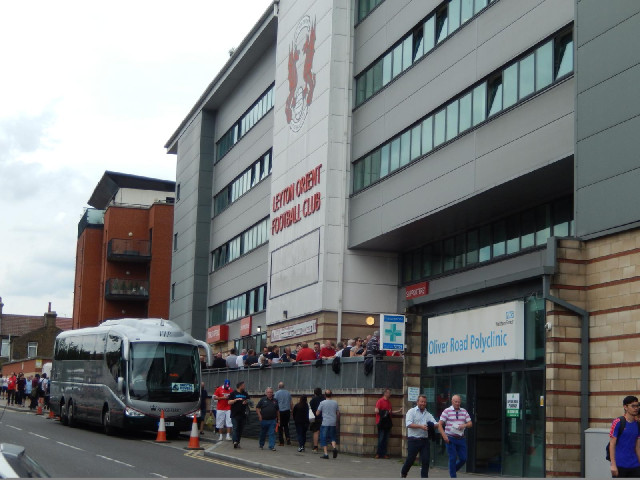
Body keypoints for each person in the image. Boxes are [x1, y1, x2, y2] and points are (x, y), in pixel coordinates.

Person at [401, 394, 437, 478]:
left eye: (424, 402)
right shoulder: (411, 411)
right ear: (418, 402)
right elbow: (408, 424)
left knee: (425, 461)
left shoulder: (427, 414)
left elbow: (435, 423)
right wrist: (421, 426)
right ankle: (403, 473)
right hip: (413, 440)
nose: (423, 403)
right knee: (410, 460)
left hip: (424, 440)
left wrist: (437, 424)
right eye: (421, 401)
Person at [438, 394, 473, 478]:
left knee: (463, 458)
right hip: (450, 438)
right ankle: (453, 476)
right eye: (456, 402)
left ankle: (452, 470)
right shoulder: (447, 411)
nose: (457, 403)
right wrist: (444, 436)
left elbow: (470, 423)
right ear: (452, 402)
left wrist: (464, 425)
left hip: (461, 438)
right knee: (452, 458)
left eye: (459, 402)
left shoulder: (464, 411)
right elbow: (440, 425)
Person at [609, 395, 640, 477]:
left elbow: (638, 447)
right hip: (620, 465)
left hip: (635, 465)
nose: (636, 408)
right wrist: (613, 465)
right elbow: (612, 444)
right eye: (633, 406)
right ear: (625, 407)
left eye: (637, 405)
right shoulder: (618, 422)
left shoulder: (638, 424)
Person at [375, 388, 402, 458]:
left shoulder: (389, 402)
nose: (390, 394)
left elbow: (390, 412)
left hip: (387, 422)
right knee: (381, 438)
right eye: (389, 393)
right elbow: (376, 410)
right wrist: (384, 412)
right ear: (385, 393)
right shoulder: (380, 401)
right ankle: (378, 453)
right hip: (381, 422)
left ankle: (384, 453)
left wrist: (398, 411)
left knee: (386, 439)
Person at [316, 389, 339, 459]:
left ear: (325, 395)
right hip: (333, 422)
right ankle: (334, 447)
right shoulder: (335, 403)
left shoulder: (322, 403)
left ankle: (326, 454)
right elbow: (338, 413)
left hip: (325, 422)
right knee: (333, 436)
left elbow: (317, 413)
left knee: (323, 438)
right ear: (331, 395)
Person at [256, 387, 280, 451]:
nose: (270, 393)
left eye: (271, 392)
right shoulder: (262, 400)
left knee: (272, 433)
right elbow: (257, 408)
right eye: (268, 392)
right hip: (264, 420)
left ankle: (271, 446)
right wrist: (259, 416)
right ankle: (261, 445)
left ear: (273, 393)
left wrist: (278, 419)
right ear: (266, 393)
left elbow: (277, 410)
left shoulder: (275, 400)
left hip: (272, 420)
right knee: (263, 433)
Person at [228, 381, 249, 449]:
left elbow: (249, 400)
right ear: (240, 386)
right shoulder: (233, 393)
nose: (244, 387)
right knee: (235, 428)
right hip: (235, 414)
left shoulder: (245, 393)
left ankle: (238, 441)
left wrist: (246, 401)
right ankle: (235, 441)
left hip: (243, 414)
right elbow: (229, 402)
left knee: (240, 429)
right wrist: (235, 400)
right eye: (243, 385)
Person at [274, 381, 293, 446]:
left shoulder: (277, 393)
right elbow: (291, 403)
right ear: (284, 386)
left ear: (278, 386)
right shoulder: (288, 393)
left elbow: (275, 403)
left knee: (280, 426)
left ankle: (281, 441)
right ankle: (288, 439)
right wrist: (291, 411)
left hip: (280, 411)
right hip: (287, 411)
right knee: (286, 426)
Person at [309, 387, 325, 451]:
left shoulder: (313, 400)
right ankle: (324, 446)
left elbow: (310, 408)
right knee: (324, 432)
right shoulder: (324, 399)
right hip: (324, 417)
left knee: (316, 432)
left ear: (314, 393)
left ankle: (315, 447)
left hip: (315, 418)